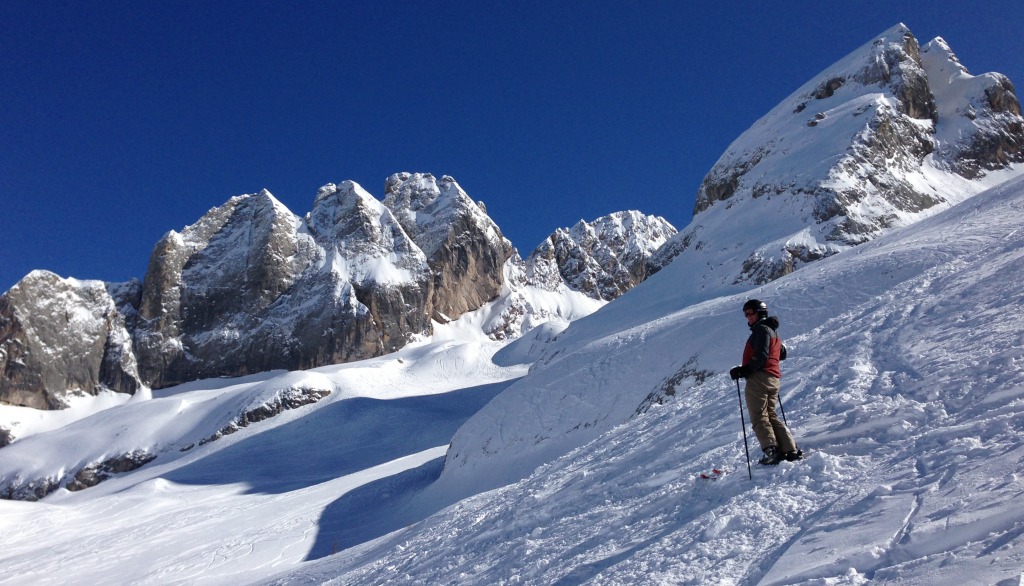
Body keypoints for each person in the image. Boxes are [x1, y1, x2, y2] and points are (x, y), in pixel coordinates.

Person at [730, 299, 802, 465]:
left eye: (751, 313)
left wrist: (744, 370)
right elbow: (781, 354)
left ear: (760, 313)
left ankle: (771, 451)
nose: (748, 317)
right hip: (773, 378)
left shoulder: (761, 331)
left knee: (759, 416)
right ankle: (789, 450)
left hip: (759, 378)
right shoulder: (771, 331)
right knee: (770, 414)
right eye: (746, 314)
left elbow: (761, 355)